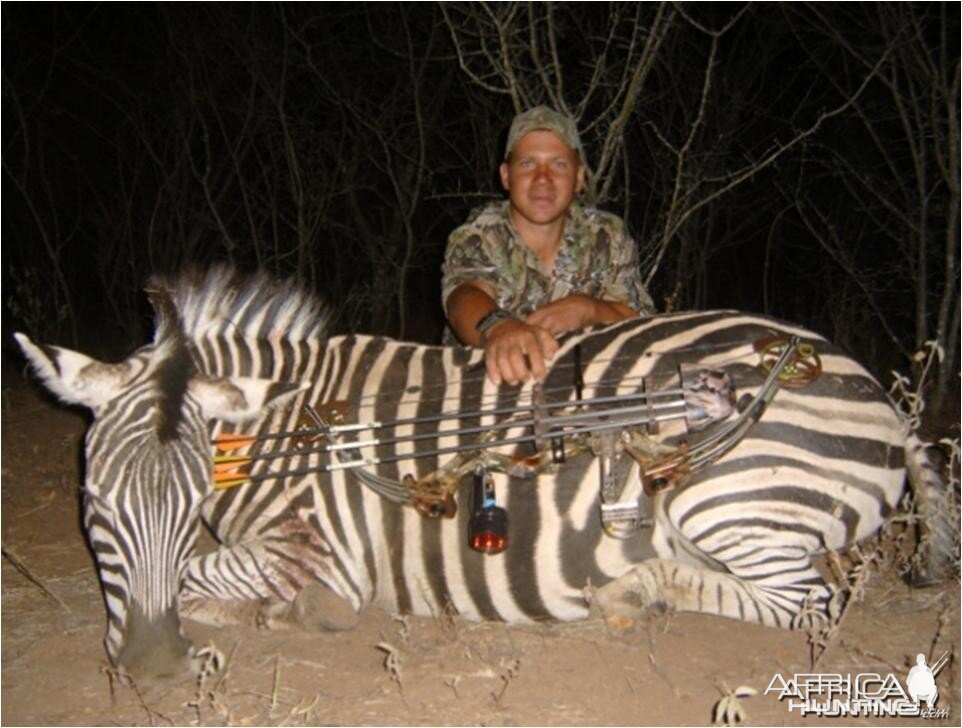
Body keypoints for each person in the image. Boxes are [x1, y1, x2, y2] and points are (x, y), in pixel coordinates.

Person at [442, 106, 655, 386]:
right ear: (506, 176)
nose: (543, 178)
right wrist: (499, 328)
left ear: (579, 178)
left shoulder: (607, 234)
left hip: (582, 387)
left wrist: (588, 309)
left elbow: (638, 319)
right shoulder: (478, 234)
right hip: (487, 388)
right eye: (528, 163)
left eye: (558, 164)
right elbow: (462, 297)